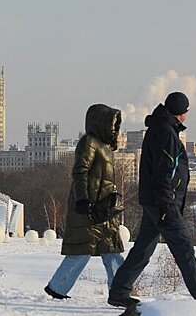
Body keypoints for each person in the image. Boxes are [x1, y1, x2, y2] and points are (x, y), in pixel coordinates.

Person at [108, 92, 196, 308]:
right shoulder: (166, 133)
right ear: (183, 112)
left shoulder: (160, 128)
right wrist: (165, 205)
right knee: (184, 248)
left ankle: (119, 291)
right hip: (163, 203)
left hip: (156, 201)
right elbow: (164, 172)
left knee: (143, 247)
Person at [44, 104, 125, 299]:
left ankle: (120, 292)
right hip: (89, 209)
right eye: (111, 123)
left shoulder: (104, 146)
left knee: (112, 251)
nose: (114, 128)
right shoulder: (89, 142)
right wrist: (82, 200)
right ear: (100, 122)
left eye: (116, 124)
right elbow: (80, 171)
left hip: (103, 210)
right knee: (81, 251)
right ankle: (57, 288)